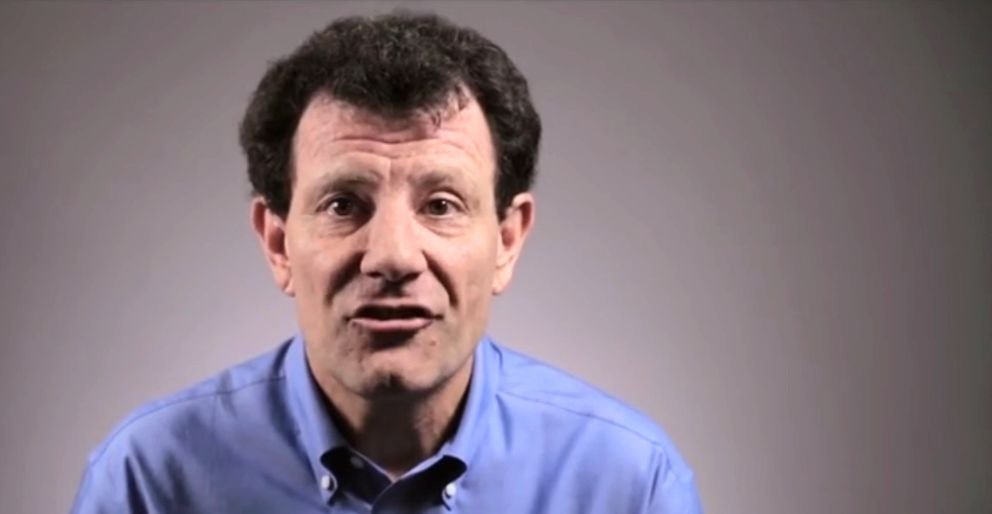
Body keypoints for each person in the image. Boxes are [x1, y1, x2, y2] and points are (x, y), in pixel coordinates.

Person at [71, 11, 702, 514]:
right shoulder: (149, 483)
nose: (394, 256)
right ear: (277, 242)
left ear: (507, 240)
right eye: (343, 205)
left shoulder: (631, 486)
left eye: (442, 205)